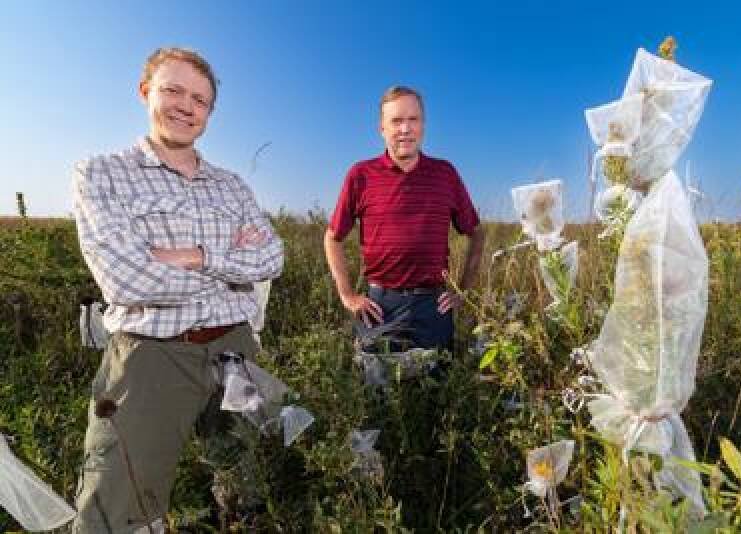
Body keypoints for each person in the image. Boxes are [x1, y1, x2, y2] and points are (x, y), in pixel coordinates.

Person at [70, 47, 283, 533]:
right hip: (152, 356)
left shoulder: (232, 186)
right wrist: (231, 269)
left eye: (200, 99)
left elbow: (272, 259)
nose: (187, 106)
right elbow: (126, 279)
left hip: (236, 350)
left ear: (210, 113)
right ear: (146, 92)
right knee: (118, 503)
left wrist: (195, 255)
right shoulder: (101, 173)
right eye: (173, 91)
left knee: (247, 470)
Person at [324, 86, 484, 353]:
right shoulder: (360, 175)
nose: (405, 129)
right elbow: (332, 238)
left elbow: (477, 233)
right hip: (379, 307)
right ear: (382, 129)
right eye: (396, 121)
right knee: (379, 388)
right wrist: (347, 295)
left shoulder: (445, 174)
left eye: (413, 120)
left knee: (436, 388)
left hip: (433, 306)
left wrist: (463, 289)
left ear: (423, 125)